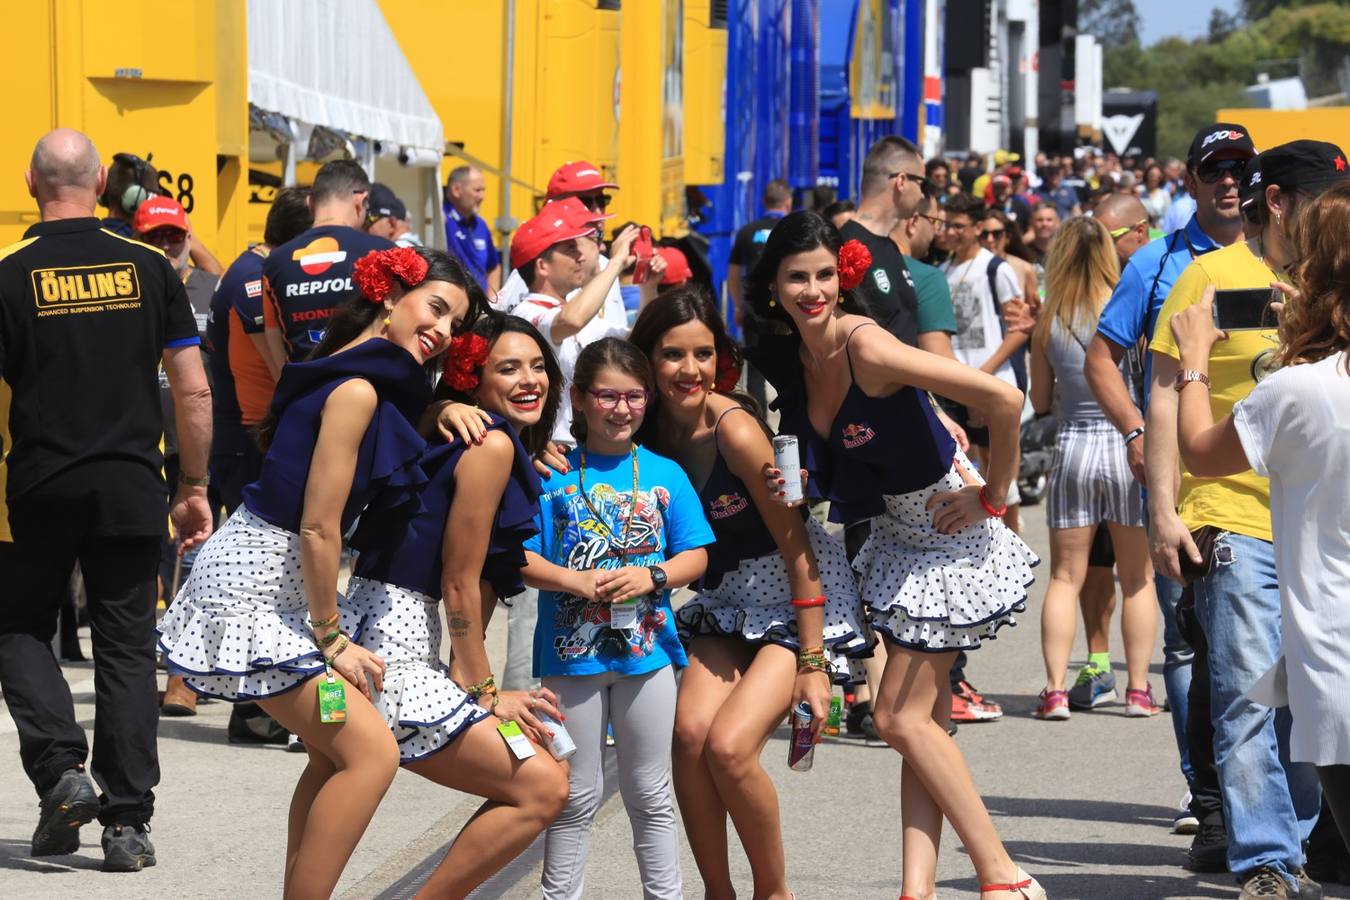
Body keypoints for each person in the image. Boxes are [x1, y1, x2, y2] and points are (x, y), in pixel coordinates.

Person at [157, 246, 482, 897]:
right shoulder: (358, 388)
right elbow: (317, 526)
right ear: (390, 293)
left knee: (337, 754)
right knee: (372, 755)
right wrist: (332, 636)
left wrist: (438, 407)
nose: (443, 332)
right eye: (437, 308)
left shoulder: (349, 376)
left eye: (455, 326)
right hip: (251, 588)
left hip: (270, 584)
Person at [748, 211, 1042, 900]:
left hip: (948, 534)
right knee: (924, 728)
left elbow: (1004, 397)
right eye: (797, 277)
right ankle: (918, 889)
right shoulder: (796, 358)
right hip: (897, 540)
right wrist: (792, 480)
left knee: (894, 718)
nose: (813, 289)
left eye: (824, 274)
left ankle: (1003, 874)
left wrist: (994, 495)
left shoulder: (867, 346)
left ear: (843, 275)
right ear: (775, 286)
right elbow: (837, 463)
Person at [0, 128, 214, 871]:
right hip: (131, 486)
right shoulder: (153, 267)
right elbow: (192, 387)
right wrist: (192, 484)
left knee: (18, 630)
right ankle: (126, 826)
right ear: (99, 183)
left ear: (32, 182)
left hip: (35, 488)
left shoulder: (7, 273)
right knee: (128, 651)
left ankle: (62, 771)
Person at [1149, 140, 1347, 900]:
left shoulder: (1336, 282)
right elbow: (1166, 393)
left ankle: (1298, 839)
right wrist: (1164, 512)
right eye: (1328, 200)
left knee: (1316, 697)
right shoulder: (1211, 277)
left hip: (1322, 530)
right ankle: (1266, 857)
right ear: (1281, 203)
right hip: (1235, 519)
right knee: (1245, 693)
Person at [629, 288, 868, 899]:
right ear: (646, 361)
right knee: (687, 738)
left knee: (730, 748)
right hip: (722, 602)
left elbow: (800, 550)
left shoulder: (735, 430)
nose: (691, 370)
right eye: (672, 355)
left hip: (793, 599)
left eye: (703, 354)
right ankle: (719, 893)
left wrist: (814, 666)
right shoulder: (644, 434)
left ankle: (773, 893)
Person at [345, 314, 569, 896]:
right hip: (392, 653)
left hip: (375, 635)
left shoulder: (473, 437)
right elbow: (459, 584)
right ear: (473, 380)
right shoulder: (490, 444)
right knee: (543, 787)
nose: (530, 380)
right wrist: (486, 693)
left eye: (538, 366)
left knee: (543, 770)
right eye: (508, 368)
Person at [1083, 122, 1256, 856]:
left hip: (1271, 488)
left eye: (1238, 169)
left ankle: (1264, 803)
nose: (1226, 181)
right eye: (1213, 170)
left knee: (1257, 656)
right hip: (1184, 488)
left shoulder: (1283, 257)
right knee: (1193, 650)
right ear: (1188, 181)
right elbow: (1102, 355)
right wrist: (1132, 432)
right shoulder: (1157, 262)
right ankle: (1208, 797)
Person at [522, 337, 714, 900]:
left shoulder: (664, 473)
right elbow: (521, 556)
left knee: (650, 793)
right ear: (579, 398)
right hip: (569, 659)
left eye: (634, 396)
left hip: (647, 657)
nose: (621, 409)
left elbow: (696, 554)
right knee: (574, 794)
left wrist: (653, 576)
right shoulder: (549, 472)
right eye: (607, 396)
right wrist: (573, 580)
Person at [1027, 217, 1159, 721]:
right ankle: (1139, 690)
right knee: (1137, 578)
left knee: (1065, 577)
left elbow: (1040, 400)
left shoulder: (1050, 317)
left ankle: (1056, 690)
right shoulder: (1128, 306)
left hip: (1074, 445)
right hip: (1128, 443)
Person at [207, 186, 314, 745]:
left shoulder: (258, 271)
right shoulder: (257, 278)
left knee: (266, 581)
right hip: (248, 438)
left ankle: (252, 708)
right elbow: (279, 365)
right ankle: (252, 706)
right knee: (259, 581)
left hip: (249, 436)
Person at [132, 194, 220, 717]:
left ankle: (183, 676)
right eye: (155, 239)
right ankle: (142, 668)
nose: (167, 247)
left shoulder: (213, 287)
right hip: (145, 442)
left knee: (199, 560)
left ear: (190, 237)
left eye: (174, 236)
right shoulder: (129, 288)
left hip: (203, 447)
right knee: (150, 560)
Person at [511, 201, 641, 444]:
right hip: (545, 452)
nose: (580, 255)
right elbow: (571, 320)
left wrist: (649, 286)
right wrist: (615, 263)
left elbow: (639, 337)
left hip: (571, 450)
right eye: (570, 249)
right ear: (542, 266)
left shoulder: (564, 311)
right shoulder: (526, 313)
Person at [941, 194, 1026, 532]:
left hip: (990, 382)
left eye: (959, 226)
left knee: (999, 471)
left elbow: (1019, 331)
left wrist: (982, 376)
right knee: (966, 469)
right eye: (947, 225)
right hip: (956, 385)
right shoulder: (943, 269)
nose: (951, 232)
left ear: (977, 228)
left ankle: (1012, 542)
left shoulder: (996, 269)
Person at [262, 159, 393, 366]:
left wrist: (289, 388)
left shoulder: (274, 263)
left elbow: (272, 336)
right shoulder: (385, 253)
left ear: (309, 203)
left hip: (303, 390)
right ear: (361, 200)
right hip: (366, 386)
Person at [495, 161, 628, 328]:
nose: (598, 211)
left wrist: (648, 288)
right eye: (585, 201)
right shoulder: (540, 268)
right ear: (555, 205)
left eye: (602, 200)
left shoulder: (608, 265)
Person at [839, 136, 926, 347]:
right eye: (921, 183)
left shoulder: (890, 246)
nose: (923, 194)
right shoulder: (845, 245)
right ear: (902, 182)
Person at [727, 179, 793, 409]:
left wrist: (737, 306)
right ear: (788, 202)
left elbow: (734, 273)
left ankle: (759, 419)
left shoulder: (747, 232)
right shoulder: (790, 231)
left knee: (755, 367)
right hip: (785, 308)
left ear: (765, 202)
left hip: (753, 308)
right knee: (789, 361)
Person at [443, 165, 500, 292]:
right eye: (477, 190)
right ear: (456, 190)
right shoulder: (442, 219)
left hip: (480, 306)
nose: (482, 197)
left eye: (483, 190)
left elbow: (494, 266)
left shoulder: (481, 225)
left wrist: (491, 302)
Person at [366, 183, 421, 247]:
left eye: (368, 221)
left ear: (391, 223)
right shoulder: (417, 247)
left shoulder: (396, 252)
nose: (362, 230)